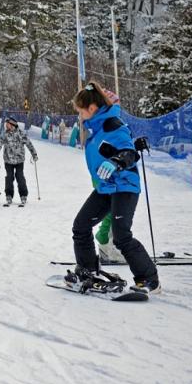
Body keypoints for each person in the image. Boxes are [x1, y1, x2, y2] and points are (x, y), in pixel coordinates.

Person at [68, 81, 160, 293]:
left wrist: (116, 162)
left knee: (121, 236)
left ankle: (149, 279)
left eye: (81, 111)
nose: (80, 116)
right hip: (106, 188)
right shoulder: (98, 127)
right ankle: (88, 271)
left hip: (124, 187)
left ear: (92, 109)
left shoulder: (112, 125)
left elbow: (130, 153)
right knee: (81, 226)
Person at [0, 117, 38, 206]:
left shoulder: (20, 134)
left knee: (20, 177)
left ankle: (23, 196)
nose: (6, 125)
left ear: (12, 125)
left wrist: (34, 154)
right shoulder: (5, 134)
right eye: (6, 124)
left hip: (19, 160)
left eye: (7, 124)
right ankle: (9, 196)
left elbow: (29, 144)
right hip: (8, 160)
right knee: (9, 177)